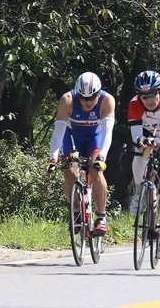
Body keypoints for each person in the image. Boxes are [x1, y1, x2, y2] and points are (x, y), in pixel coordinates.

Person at [46, 72, 114, 235]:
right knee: (69, 171)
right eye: (83, 98)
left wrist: (102, 157)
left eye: (91, 98)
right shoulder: (67, 100)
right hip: (72, 137)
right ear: (78, 94)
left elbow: (107, 134)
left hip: (94, 138)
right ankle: (76, 211)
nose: (87, 102)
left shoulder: (107, 101)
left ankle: (101, 216)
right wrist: (53, 159)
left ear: (98, 94)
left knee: (95, 170)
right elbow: (58, 133)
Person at [126, 70, 160, 259]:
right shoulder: (134, 104)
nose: (148, 100)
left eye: (152, 95)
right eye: (144, 96)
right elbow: (135, 136)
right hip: (151, 136)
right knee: (138, 155)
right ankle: (139, 192)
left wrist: (159, 142)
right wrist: (141, 140)